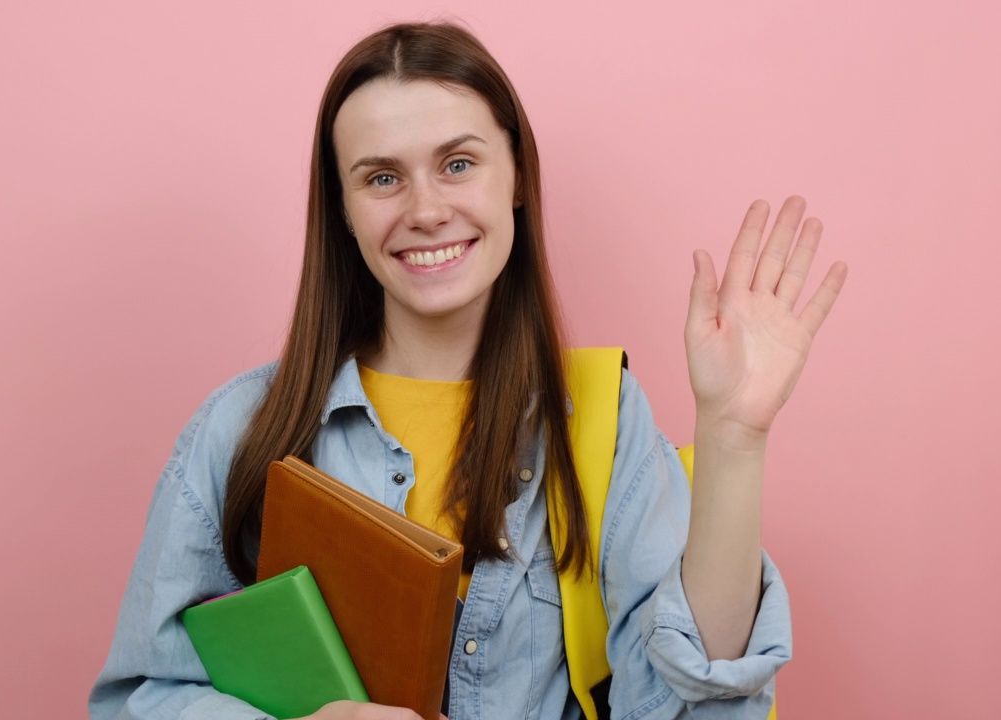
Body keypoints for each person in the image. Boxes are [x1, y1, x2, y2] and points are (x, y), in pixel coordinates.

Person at [90, 21, 847, 720]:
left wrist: (732, 436)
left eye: (457, 164)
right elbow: (137, 698)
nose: (425, 209)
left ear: (515, 176)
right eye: (382, 178)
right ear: (344, 209)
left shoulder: (602, 421)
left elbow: (697, 705)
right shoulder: (246, 428)